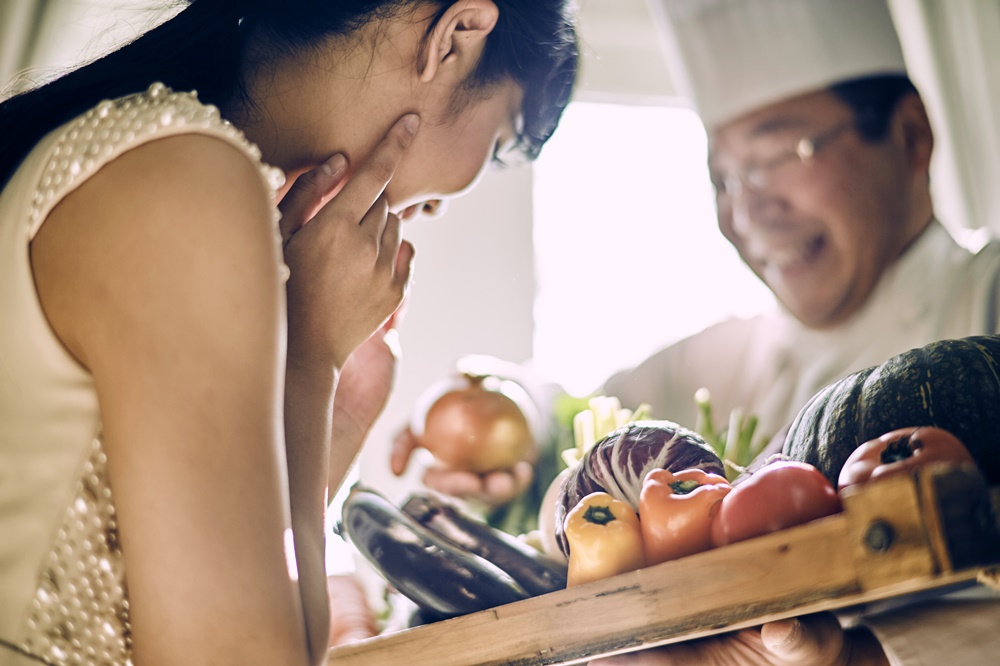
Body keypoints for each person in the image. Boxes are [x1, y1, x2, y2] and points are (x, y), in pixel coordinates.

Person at [385, 0, 1000, 663]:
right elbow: (578, 414)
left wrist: (868, 658)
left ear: (911, 135)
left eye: (777, 155)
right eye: (723, 179)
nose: (748, 210)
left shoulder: (988, 297)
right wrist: (503, 415)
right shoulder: (729, 359)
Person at [0, 0, 578, 664]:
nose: (444, 204)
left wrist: (340, 414)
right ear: (455, 36)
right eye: (500, 142)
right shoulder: (182, 185)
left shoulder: (164, 165)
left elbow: (229, 592)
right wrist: (309, 359)